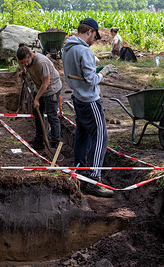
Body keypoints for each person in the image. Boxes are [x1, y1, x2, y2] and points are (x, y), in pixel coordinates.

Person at [62, 18, 117, 198]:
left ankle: (79, 170)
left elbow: (78, 73)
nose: (94, 41)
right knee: (101, 135)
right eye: (95, 36)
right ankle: (93, 179)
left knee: (83, 135)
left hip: (77, 97)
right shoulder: (83, 50)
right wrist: (102, 73)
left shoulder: (67, 48)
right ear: (90, 31)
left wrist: (94, 70)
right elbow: (91, 80)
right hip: (89, 100)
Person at [17, 44, 62, 149]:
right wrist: (23, 72)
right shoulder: (25, 62)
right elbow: (26, 67)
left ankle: (55, 143)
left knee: (52, 116)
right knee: (37, 114)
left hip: (51, 89)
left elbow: (46, 83)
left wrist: (37, 98)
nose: (26, 64)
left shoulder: (41, 62)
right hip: (39, 88)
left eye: (27, 62)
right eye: (23, 63)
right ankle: (40, 138)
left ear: (31, 55)